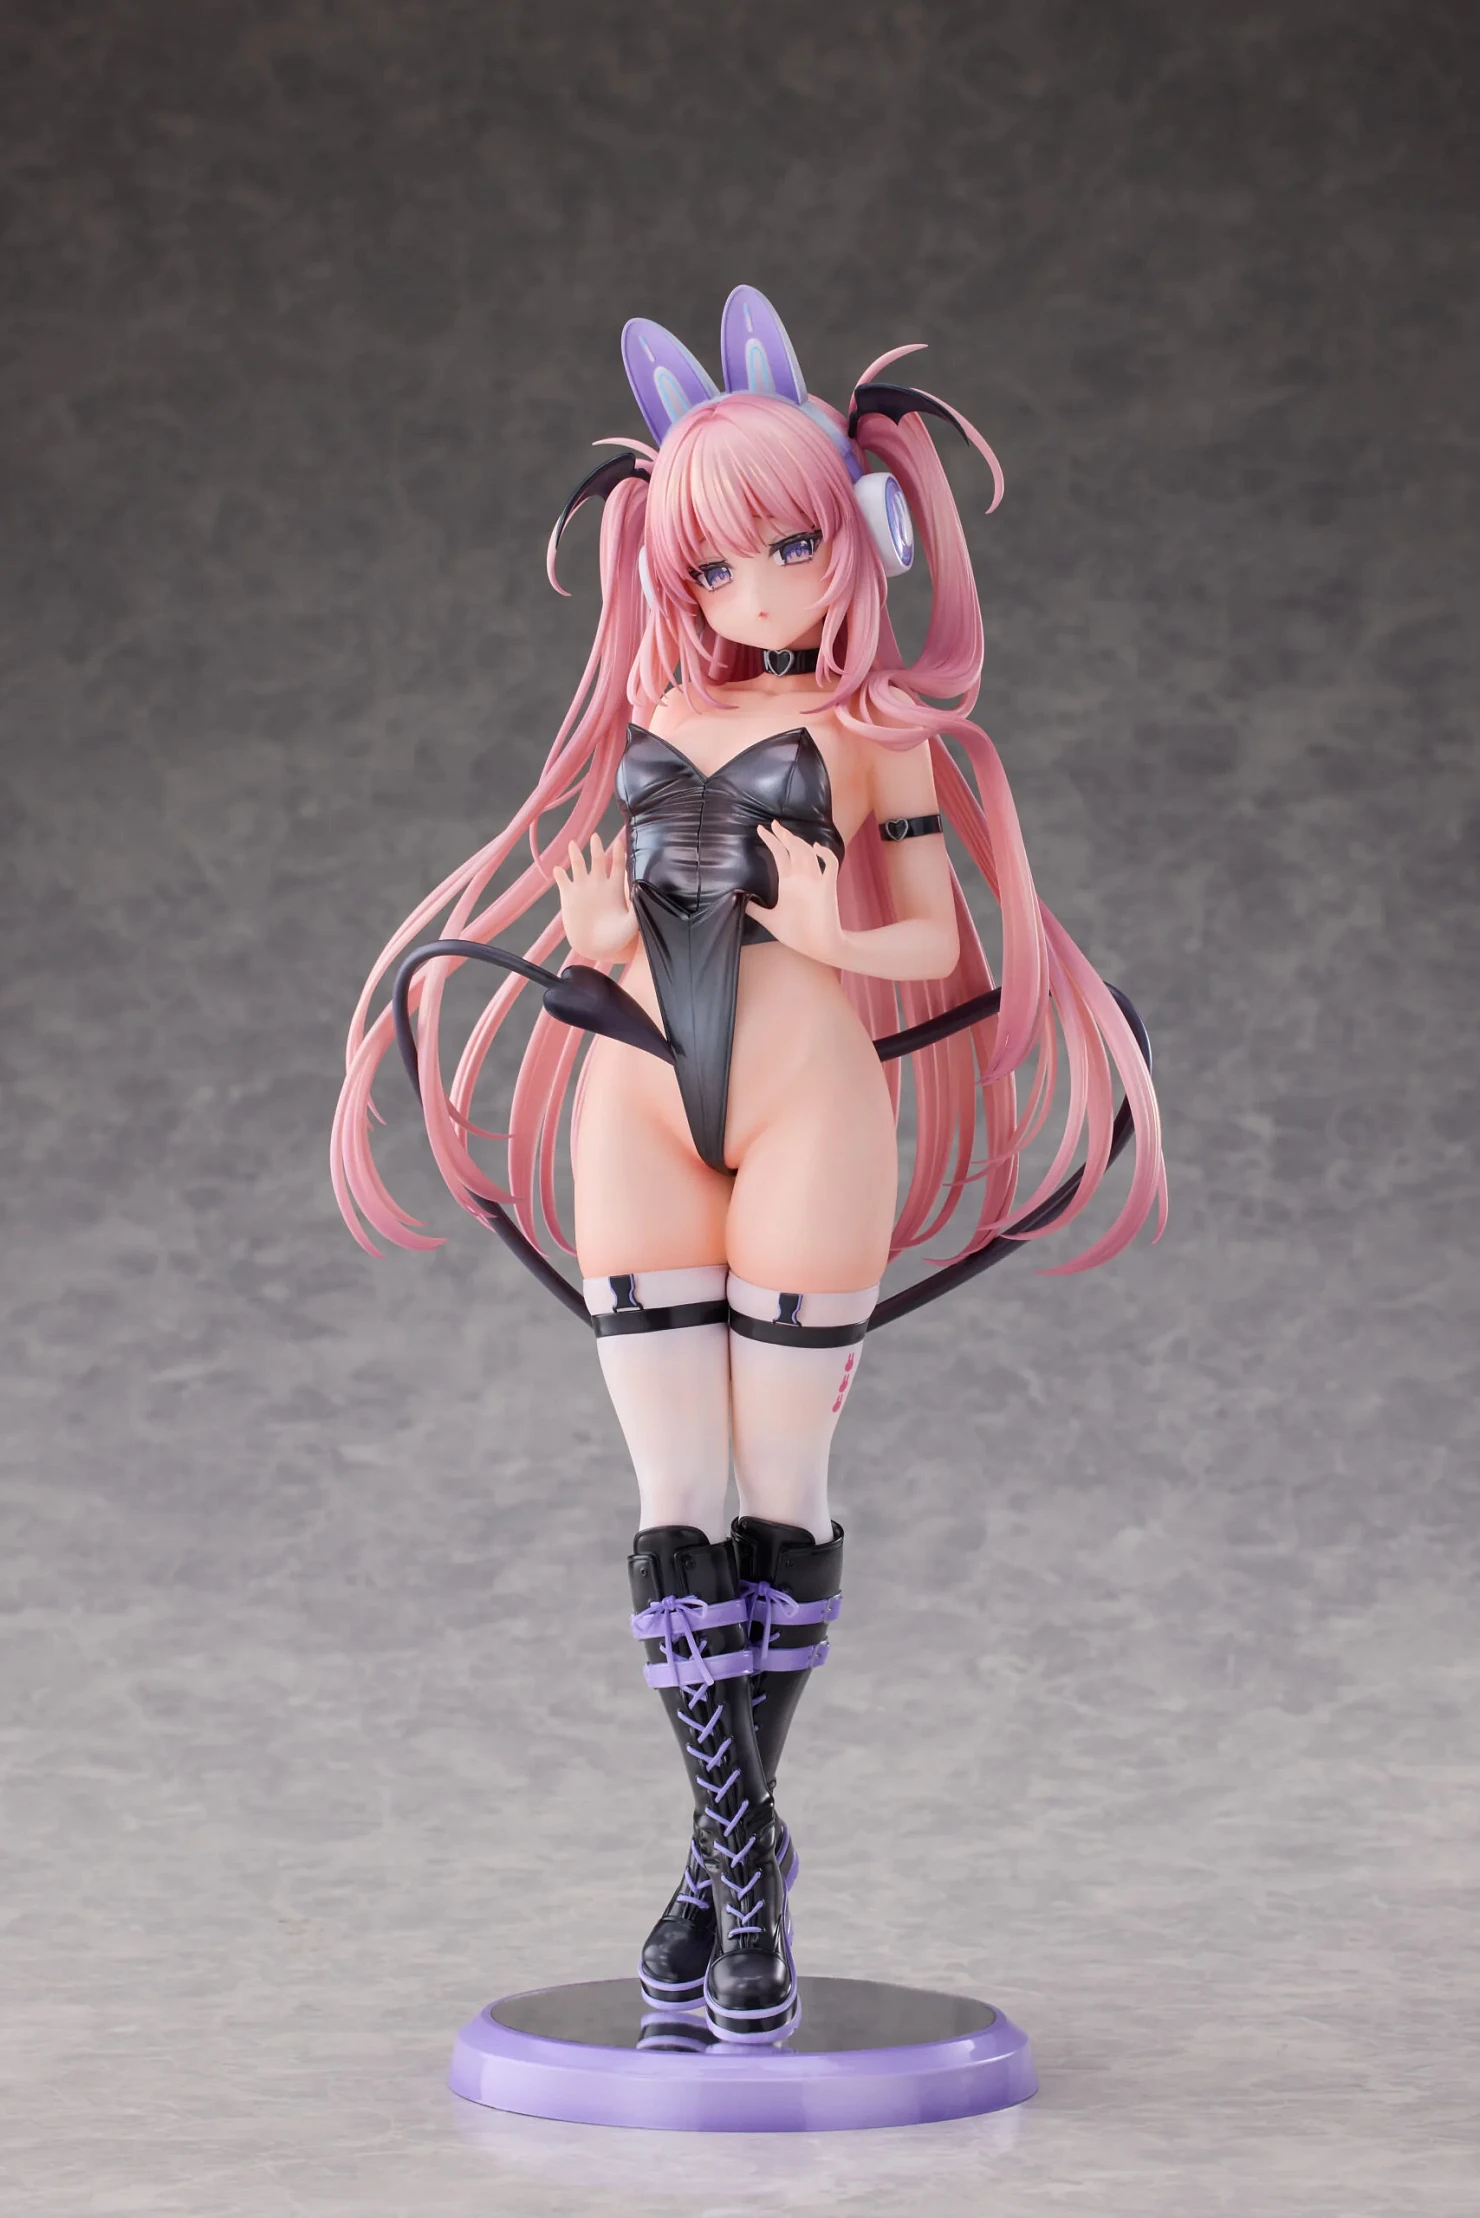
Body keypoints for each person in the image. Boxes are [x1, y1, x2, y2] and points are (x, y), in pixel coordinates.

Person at [331, 287, 1165, 2045]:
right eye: (714, 561)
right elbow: (628, 911)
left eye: (789, 546)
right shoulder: (656, 703)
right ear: (674, 570)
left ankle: (725, 1878)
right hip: (633, 1094)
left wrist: (817, 920)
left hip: (811, 1106)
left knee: (777, 1491)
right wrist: (589, 941)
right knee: (673, 1497)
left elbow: (935, 933)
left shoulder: (880, 735)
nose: (757, 588)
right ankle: (741, 1860)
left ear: (849, 540)